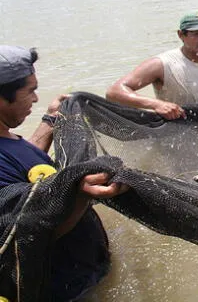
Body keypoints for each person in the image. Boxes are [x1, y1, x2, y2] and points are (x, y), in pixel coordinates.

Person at [0, 45, 129, 300]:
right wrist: (78, 192)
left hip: (87, 271)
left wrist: (49, 122)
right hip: (64, 290)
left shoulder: (6, 137)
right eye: (30, 91)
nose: (36, 99)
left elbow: (23, 172)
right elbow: (27, 236)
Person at [106, 10, 198, 120]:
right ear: (181, 35)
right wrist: (156, 104)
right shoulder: (162, 64)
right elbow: (114, 91)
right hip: (175, 130)